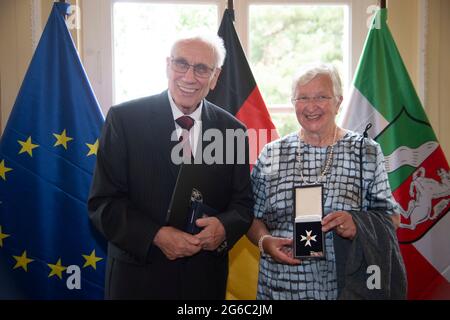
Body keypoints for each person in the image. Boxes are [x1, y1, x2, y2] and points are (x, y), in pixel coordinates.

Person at [88, 33, 253, 299]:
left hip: (203, 281)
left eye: (201, 69)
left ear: (215, 76)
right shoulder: (125, 120)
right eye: (181, 64)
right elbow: (103, 204)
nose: (189, 77)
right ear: (168, 65)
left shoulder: (232, 130)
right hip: (137, 280)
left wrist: (223, 227)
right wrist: (156, 235)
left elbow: (242, 205)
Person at [246, 63, 406, 299]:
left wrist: (357, 224)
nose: (311, 106)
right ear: (294, 104)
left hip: (346, 288)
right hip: (279, 287)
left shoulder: (365, 152)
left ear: (338, 102)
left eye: (321, 96)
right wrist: (264, 241)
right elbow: (250, 216)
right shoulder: (272, 154)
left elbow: (392, 218)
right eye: (303, 98)